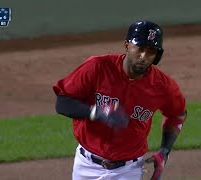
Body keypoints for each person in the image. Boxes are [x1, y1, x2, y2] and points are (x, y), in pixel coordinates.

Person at [53, 20, 187, 180]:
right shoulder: (97, 67)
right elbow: (62, 102)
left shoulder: (163, 86)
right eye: (140, 48)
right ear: (127, 45)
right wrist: (96, 113)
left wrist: (164, 152)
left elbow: (177, 114)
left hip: (128, 171)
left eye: (151, 51)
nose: (144, 56)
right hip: (86, 166)